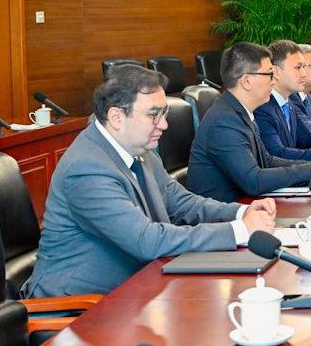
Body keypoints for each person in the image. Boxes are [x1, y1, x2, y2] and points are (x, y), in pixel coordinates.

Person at [22, 66, 277, 297]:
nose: (164, 124)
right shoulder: (86, 168)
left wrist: (241, 212)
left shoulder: (140, 151)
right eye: (154, 115)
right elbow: (146, 240)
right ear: (117, 117)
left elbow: (181, 202)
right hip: (78, 307)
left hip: (136, 288)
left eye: (164, 113)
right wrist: (239, 230)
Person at [187, 42, 311, 202]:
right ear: (246, 81)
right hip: (225, 212)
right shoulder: (224, 123)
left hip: (247, 205)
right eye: (269, 74)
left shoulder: (240, 111)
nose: (273, 81)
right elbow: (253, 181)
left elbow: (267, 160)